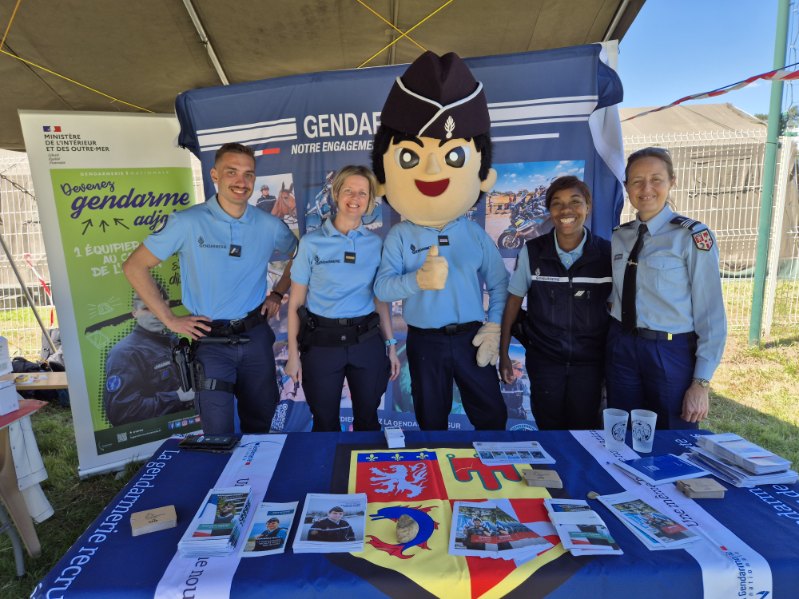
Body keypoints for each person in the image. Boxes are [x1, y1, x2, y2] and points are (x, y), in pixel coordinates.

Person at [372, 51, 509, 431]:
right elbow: (382, 288)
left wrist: (494, 327)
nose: (432, 172)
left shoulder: (473, 233)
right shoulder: (400, 235)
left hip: (470, 337)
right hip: (425, 342)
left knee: (492, 415)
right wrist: (416, 281)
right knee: (431, 419)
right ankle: (435, 486)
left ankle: (493, 480)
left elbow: (500, 283)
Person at [123, 142, 298, 435]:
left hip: (255, 337)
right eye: (232, 172)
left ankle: (255, 481)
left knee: (263, 428)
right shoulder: (187, 222)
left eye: (248, 174)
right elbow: (134, 266)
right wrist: (169, 319)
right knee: (217, 434)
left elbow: (301, 256)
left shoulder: (269, 225)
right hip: (210, 342)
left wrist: (279, 291)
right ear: (215, 175)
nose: (241, 182)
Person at [606, 147, 727, 429]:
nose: (646, 188)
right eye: (636, 181)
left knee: (673, 437)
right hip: (622, 347)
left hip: (669, 351)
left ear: (672, 181)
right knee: (620, 433)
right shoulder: (619, 237)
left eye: (656, 179)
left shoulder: (691, 237)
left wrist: (701, 383)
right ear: (626, 187)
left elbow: (711, 314)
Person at [286, 166, 400, 432]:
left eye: (362, 192)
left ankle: (365, 473)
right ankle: (328, 473)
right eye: (348, 190)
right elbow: (295, 304)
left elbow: (380, 300)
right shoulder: (311, 243)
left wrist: (391, 345)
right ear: (336, 194)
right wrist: (293, 353)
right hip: (322, 343)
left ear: (370, 200)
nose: (355, 198)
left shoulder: (375, 245)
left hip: (366, 341)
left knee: (368, 420)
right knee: (325, 423)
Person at [499, 176, 612, 430]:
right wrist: (504, 353)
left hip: (590, 365)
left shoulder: (606, 254)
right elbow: (514, 301)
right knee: (549, 430)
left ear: (588, 206)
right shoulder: (533, 251)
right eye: (557, 204)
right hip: (545, 362)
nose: (566, 210)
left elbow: (616, 309)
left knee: (585, 431)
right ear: (549, 211)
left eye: (575, 202)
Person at [103, 285, 194, 426]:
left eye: (160, 308)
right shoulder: (124, 353)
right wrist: (177, 397)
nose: (156, 315)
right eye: (146, 309)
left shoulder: (173, 340)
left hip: (188, 427)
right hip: (153, 436)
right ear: (134, 312)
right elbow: (122, 413)